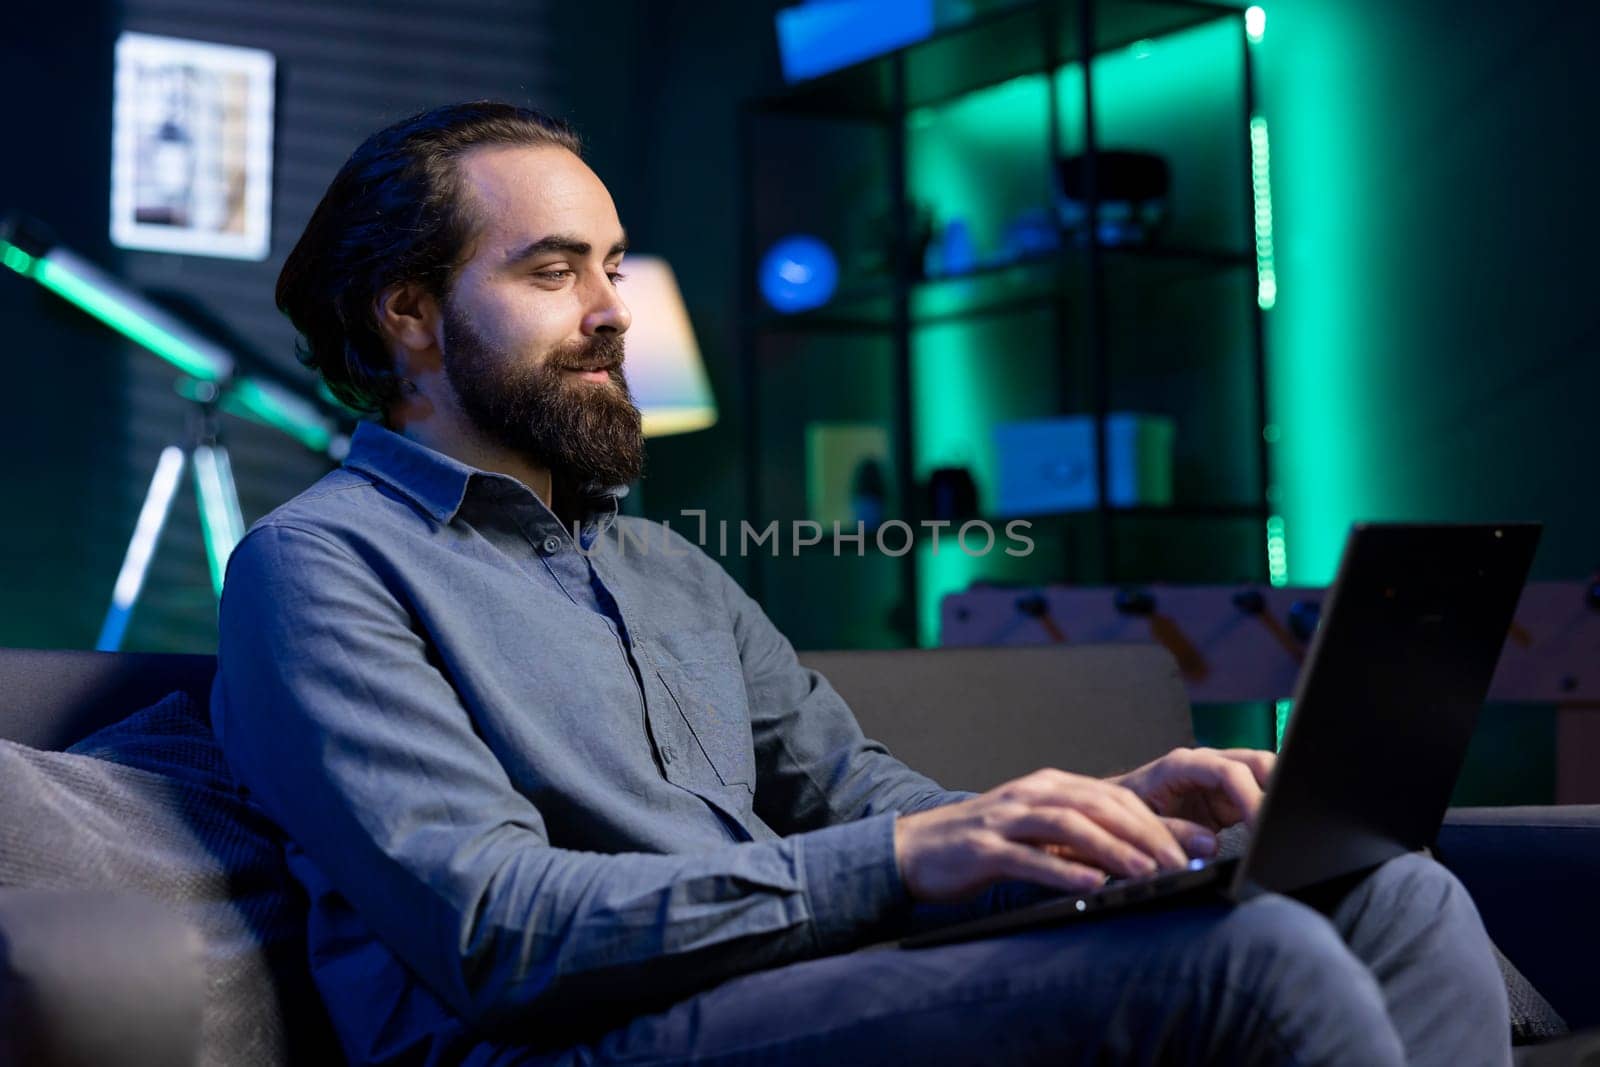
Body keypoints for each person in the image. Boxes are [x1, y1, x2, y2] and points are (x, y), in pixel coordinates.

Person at [213, 101, 1511, 1066]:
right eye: (553, 270)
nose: (615, 310)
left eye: (615, 265)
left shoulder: (662, 562)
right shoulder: (318, 567)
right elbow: (499, 932)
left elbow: (858, 797)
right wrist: (902, 859)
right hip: (577, 1043)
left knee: (1387, 891)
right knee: (1259, 960)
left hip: (780, 987)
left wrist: (1089, 818)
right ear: (409, 315)